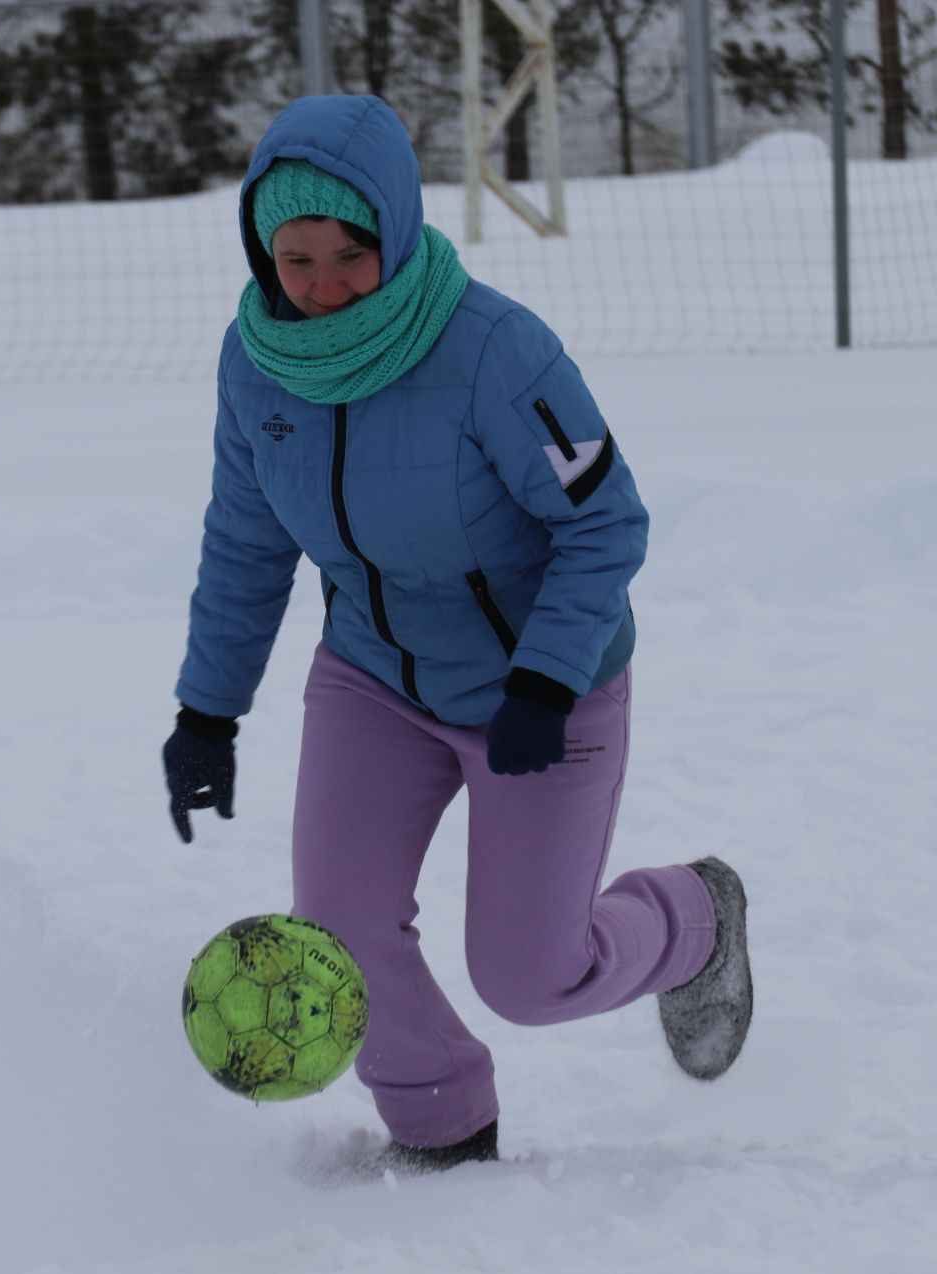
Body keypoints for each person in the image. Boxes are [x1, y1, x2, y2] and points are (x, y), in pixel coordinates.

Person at [162, 94, 754, 1173]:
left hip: (539, 689)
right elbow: (245, 544)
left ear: (393, 227)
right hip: (374, 679)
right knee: (338, 931)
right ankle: (441, 1123)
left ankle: (693, 920)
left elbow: (605, 521)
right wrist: (207, 710)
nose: (324, 285)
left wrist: (546, 678)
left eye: (351, 254)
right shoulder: (257, 366)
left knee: (533, 976)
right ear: (260, 248)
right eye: (296, 258)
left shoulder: (496, 351)